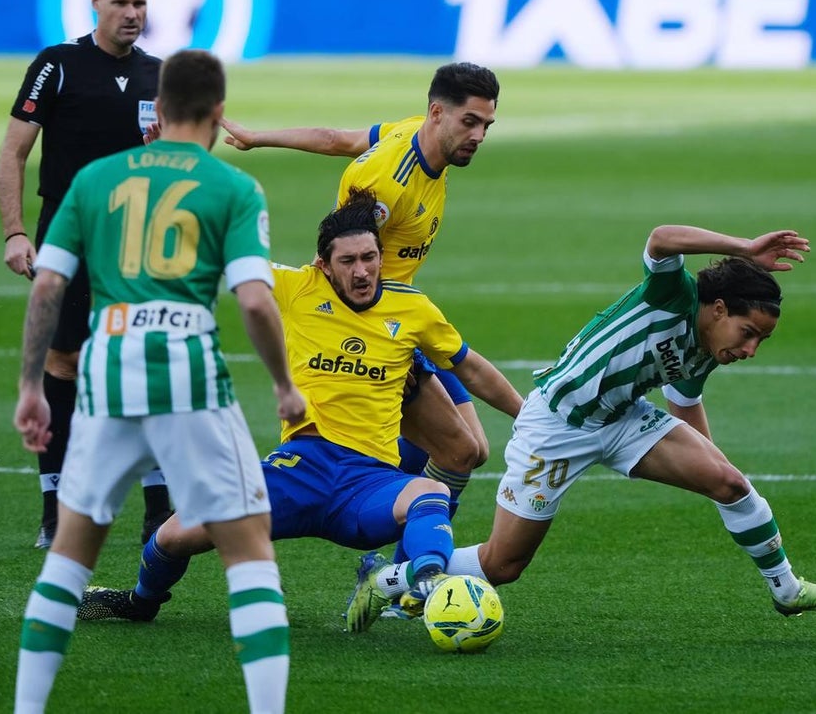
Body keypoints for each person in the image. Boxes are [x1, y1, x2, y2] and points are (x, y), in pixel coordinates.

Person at [344, 223, 816, 631]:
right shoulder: (673, 296)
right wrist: (745, 246)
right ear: (719, 308)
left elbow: (686, 406)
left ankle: (787, 590)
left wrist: (712, 473)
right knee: (503, 565)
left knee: (730, 482)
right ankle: (390, 578)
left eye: (760, 342)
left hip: (621, 419)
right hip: (556, 425)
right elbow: (662, 238)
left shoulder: (710, 349)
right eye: (748, 333)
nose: (749, 350)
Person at [74, 189, 523, 624]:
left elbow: (473, 370)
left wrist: (525, 417)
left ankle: (412, 582)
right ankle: (140, 602)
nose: (362, 271)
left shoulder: (414, 310)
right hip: (296, 471)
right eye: (348, 261)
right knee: (173, 535)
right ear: (324, 265)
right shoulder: (295, 289)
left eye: (369, 258)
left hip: (366, 485)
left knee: (432, 493)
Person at [12, 49, 304, 714]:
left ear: (159, 109)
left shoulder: (95, 179)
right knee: (250, 548)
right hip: (187, 372)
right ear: (218, 113)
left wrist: (32, 387)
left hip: (105, 371)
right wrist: (284, 385)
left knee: (68, 557)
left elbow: (49, 285)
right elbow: (257, 302)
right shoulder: (233, 188)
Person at [220, 63, 500, 521]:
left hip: (401, 315)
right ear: (437, 113)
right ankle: (396, 560)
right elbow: (343, 260)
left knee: (470, 450)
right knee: (461, 452)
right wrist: (381, 357)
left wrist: (258, 137)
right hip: (382, 326)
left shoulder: (413, 132)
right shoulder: (387, 187)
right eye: (470, 122)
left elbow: (337, 140)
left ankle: (393, 529)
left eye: (486, 125)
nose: (479, 136)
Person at [0, 0, 171, 549]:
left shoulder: (159, 75)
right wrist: (16, 232)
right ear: (96, 2)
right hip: (67, 236)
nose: (133, 14)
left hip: (140, 243)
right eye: (122, 3)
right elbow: (14, 152)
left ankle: (158, 508)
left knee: (145, 366)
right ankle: (55, 505)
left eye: (141, 4)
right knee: (64, 363)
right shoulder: (57, 66)